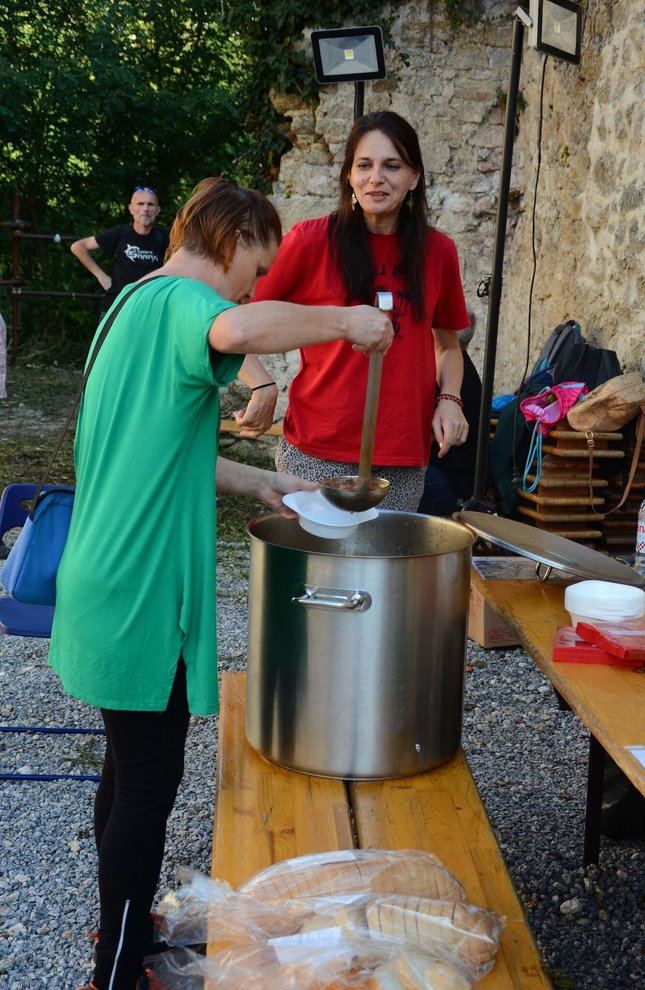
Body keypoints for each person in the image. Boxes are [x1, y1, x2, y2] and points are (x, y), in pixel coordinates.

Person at [46, 177, 392, 990]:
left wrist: (261, 485)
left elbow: (161, 448)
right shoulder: (184, 306)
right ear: (231, 243)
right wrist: (346, 323)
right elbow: (237, 322)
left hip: (101, 574)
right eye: (257, 265)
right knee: (147, 788)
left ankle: (122, 922)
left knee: (124, 767)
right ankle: (118, 968)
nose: (255, 283)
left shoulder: (130, 306)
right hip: (138, 589)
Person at [253, 110, 471, 510]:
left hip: (402, 456)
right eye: (364, 165)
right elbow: (239, 320)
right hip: (315, 449)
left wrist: (450, 398)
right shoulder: (311, 240)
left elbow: (448, 346)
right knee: (314, 571)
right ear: (350, 176)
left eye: (393, 166)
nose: (377, 178)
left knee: (382, 571)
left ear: (414, 178)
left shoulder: (438, 251)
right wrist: (260, 382)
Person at [70, 186, 170, 318]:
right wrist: (101, 276)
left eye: (150, 204)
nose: (145, 209)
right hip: (116, 307)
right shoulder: (121, 233)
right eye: (140, 204)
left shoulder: (164, 237)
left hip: (149, 310)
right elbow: (78, 247)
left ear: (157, 210)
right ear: (131, 209)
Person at [418, 314, 482, 515]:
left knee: (391, 482)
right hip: (457, 479)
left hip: (450, 484)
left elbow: (420, 441)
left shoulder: (450, 378)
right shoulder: (464, 367)